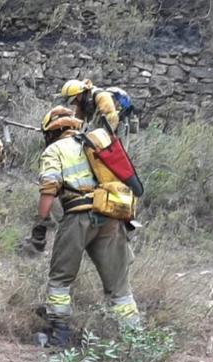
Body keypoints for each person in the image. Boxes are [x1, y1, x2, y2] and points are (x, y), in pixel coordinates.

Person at [33, 107, 140, 346]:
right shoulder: (95, 143)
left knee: (60, 279)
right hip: (112, 215)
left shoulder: (54, 150)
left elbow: (49, 190)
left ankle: (59, 334)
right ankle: (135, 339)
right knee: (119, 286)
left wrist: (40, 224)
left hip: (78, 217)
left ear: (51, 132)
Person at [60, 78, 136, 137]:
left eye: (73, 100)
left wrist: (102, 141)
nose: (74, 103)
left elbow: (111, 118)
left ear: (80, 94)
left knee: (115, 154)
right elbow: (77, 122)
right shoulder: (82, 102)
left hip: (118, 127)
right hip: (102, 126)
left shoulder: (101, 96)